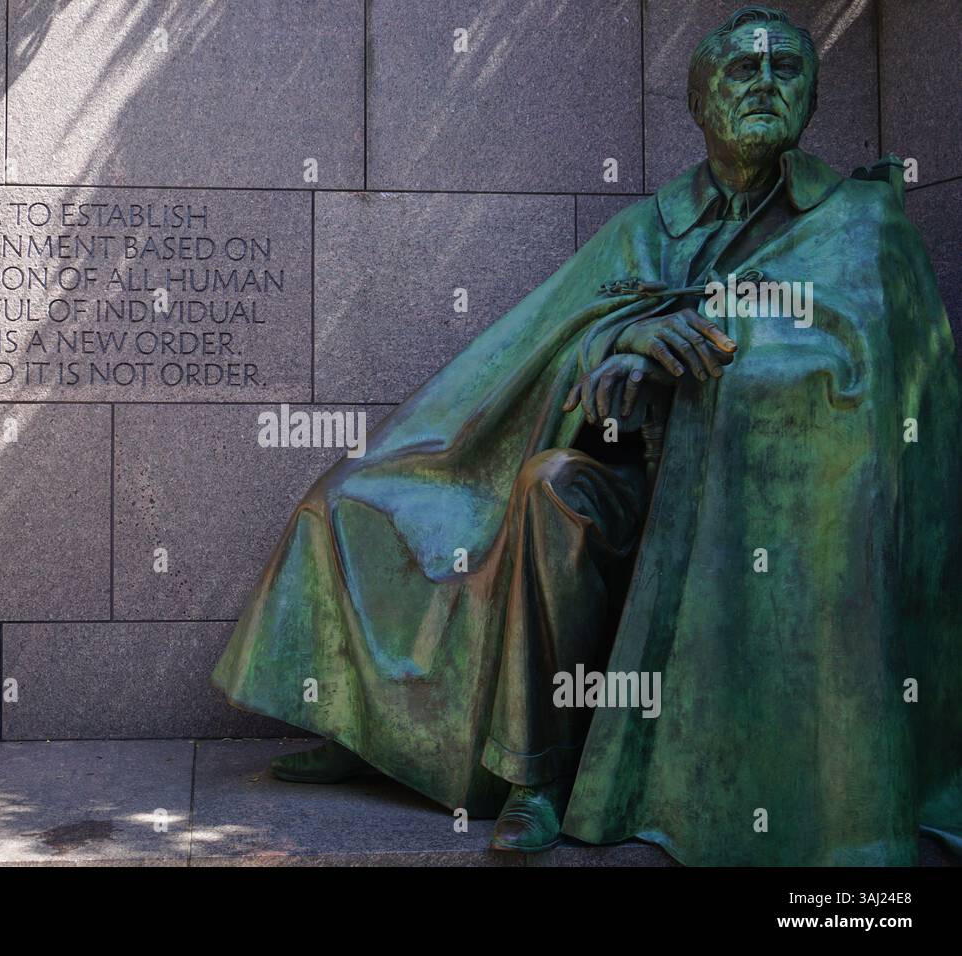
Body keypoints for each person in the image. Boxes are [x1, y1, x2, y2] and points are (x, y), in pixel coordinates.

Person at [212, 5, 962, 865]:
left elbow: (855, 364)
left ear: (811, 97)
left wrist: (713, 352)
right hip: (629, 475)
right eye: (740, 72)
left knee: (546, 491)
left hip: (750, 516)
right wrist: (622, 342)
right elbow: (554, 343)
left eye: (785, 71)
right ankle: (419, 739)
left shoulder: (857, 222)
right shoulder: (650, 228)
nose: (763, 85)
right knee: (388, 499)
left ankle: (546, 780)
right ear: (700, 102)